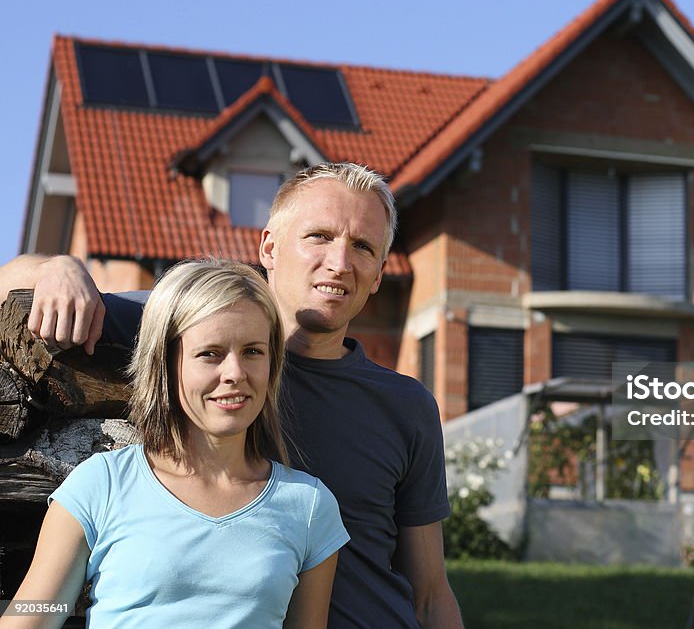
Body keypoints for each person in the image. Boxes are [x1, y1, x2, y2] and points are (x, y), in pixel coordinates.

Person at [0, 163, 463, 628]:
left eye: (362, 247)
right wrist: (59, 267)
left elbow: (430, 594)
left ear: (381, 272)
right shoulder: (195, 318)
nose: (340, 263)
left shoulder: (406, 407)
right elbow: (11, 282)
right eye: (319, 236)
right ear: (269, 247)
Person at [0, 259, 348, 629]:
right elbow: (36, 613)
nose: (235, 373)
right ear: (167, 363)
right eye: (210, 353)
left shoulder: (309, 507)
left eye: (252, 351)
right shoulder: (101, 485)